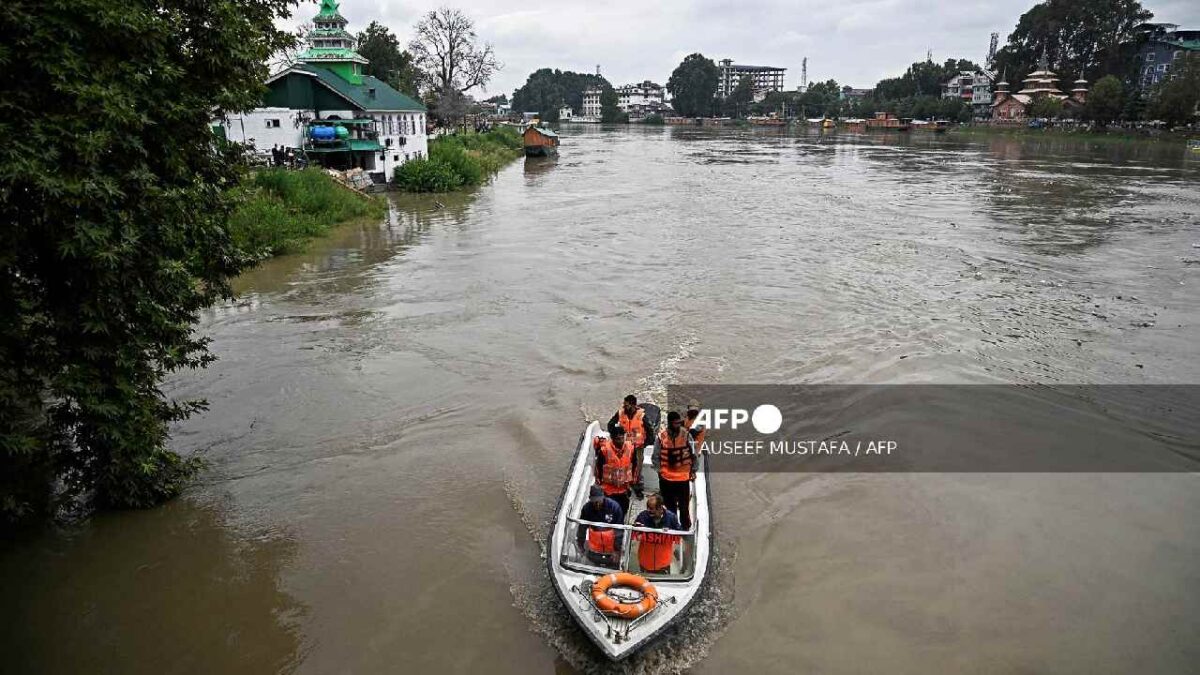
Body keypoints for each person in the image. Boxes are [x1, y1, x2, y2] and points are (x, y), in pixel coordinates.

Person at [607, 394, 654, 496]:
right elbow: (610, 425)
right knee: (624, 467)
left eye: (626, 405)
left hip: (638, 447)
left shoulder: (642, 416)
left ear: (633, 405)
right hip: (624, 447)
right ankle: (626, 487)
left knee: (637, 469)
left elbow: (651, 432)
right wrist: (616, 437)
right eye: (624, 404)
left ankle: (638, 487)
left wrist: (644, 444)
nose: (624, 407)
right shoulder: (620, 413)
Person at [655, 410, 696, 530]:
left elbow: (693, 454)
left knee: (684, 507)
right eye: (675, 423)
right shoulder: (661, 437)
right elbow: (655, 457)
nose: (677, 425)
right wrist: (660, 472)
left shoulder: (687, 435)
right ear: (669, 423)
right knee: (669, 506)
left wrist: (693, 471)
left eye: (679, 423)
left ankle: (686, 527)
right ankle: (673, 527)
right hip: (666, 478)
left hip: (683, 478)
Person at [632, 493, 683, 574]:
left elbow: (679, 534)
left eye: (651, 508)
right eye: (647, 507)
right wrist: (638, 532)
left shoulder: (671, 518)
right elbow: (634, 534)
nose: (648, 510)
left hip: (663, 564)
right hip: (645, 563)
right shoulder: (642, 516)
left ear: (660, 508)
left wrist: (669, 533)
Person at [576, 485, 624, 567]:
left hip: (611, 550)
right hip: (594, 549)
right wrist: (580, 544)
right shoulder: (586, 508)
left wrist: (617, 550)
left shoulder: (614, 507)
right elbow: (582, 528)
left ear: (603, 497)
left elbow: (619, 531)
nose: (597, 504)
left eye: (599, 501)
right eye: (594, 501)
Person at [593, 426, 635, 517]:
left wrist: (632, 484)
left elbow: (634, 466)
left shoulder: (630, 449)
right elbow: (598, 469)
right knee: (609, 513)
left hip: (624, 489)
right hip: (609, 490)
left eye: (621, 438)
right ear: (612, 439)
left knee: (623, 510)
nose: (620, 441)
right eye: (617, 439)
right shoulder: (604, 451)